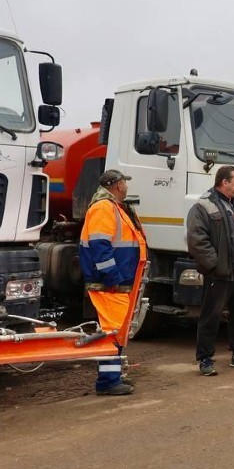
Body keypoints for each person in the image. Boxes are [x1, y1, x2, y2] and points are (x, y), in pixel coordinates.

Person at [187, 165, 234, 376]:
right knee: (211, 316)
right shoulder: (203, 206)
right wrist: (214, 265)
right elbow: (196, 240)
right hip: (220, 272)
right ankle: (205, 359)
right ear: (224, 182)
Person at [79, 169, 147, 395]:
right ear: (117, 185)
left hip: (118, 282)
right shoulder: (103, 208)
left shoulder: (113, 207)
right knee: (112, 332)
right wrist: (112, 278)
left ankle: (112, 378)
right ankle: (108, 382)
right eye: (125, 183)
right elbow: (100, 247)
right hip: (110, 284)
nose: (127, 187)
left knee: (116, 331)